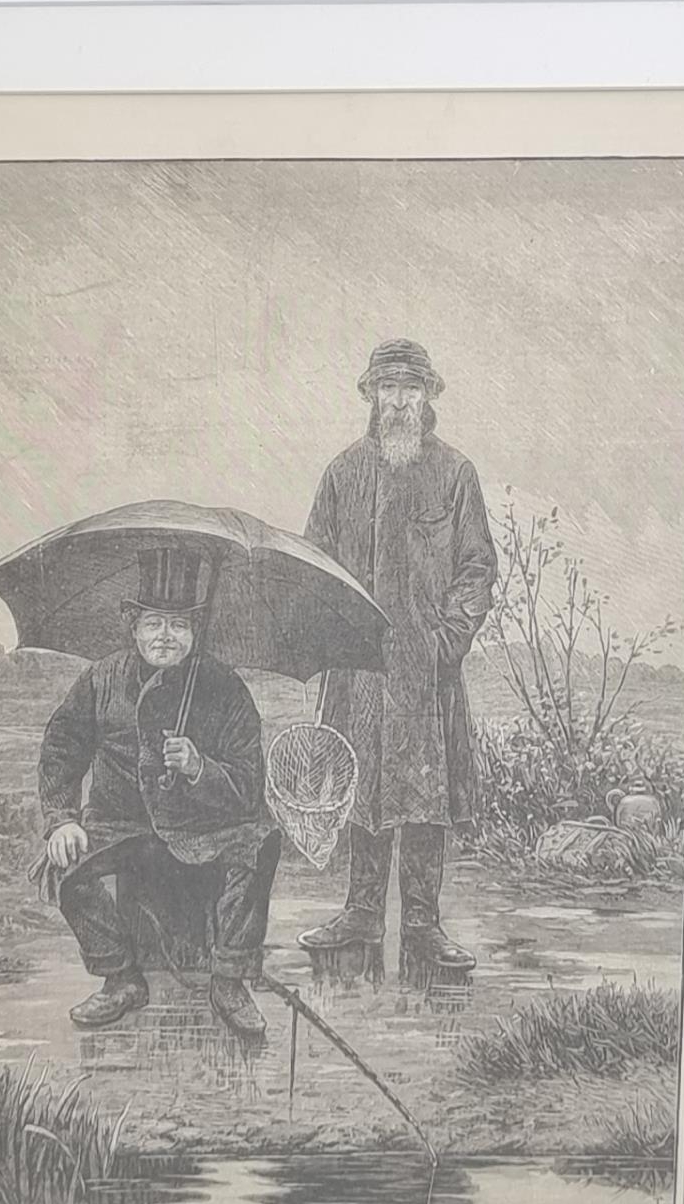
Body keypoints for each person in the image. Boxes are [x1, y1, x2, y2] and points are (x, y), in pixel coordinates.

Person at [301, 339, 499, 971]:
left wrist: (447, 640)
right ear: (371, 395)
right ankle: (361, 913)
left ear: (428, 396)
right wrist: (333, 636)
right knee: (358, 784)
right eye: (387, 388)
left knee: (424, 792)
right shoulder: (342, 474)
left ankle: (421, 924)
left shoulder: (455, 473)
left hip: (426, 667)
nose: (399, 401)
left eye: (411, 388)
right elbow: (314, 562)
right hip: (357, 668)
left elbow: (478, 567)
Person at [38, 547, 281, 1041]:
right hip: (120, 823)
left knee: (259, 844)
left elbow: (248, 785)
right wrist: (61, 818)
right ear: (134, 627)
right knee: (62, 864)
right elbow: (61, 747)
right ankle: (120, 976)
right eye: (153, 624)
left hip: (200, 827)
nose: (164, 636)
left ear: (195, 630)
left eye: (178, 625)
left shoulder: (225, 687)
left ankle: (230, 979)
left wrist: (199, 768)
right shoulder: (102, 679)